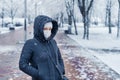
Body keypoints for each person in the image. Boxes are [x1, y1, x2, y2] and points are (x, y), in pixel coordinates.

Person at [19, 15, 67, 80]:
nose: (48, 31)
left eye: (50, 29)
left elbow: (59, 58)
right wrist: (39, 74)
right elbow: (22, 64)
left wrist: (61, 70)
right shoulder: (30, 44)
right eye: (45, 28)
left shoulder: (53, 42)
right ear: (39, 29)